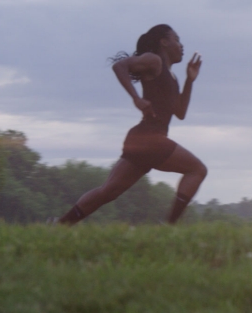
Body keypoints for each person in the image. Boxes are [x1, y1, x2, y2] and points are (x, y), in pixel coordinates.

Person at [58, 24, 206, 225]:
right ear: (164, 41)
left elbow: (180, 113)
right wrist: (136, 98)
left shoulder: (172, 78)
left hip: (141, 140)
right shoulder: (154, 61)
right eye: (177, 39)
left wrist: (190, 80)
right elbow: (120, 66)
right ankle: (169, 226)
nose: (181, 45)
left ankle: (61, 225)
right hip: (151, 138)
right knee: (197, 170)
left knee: (109, 191)